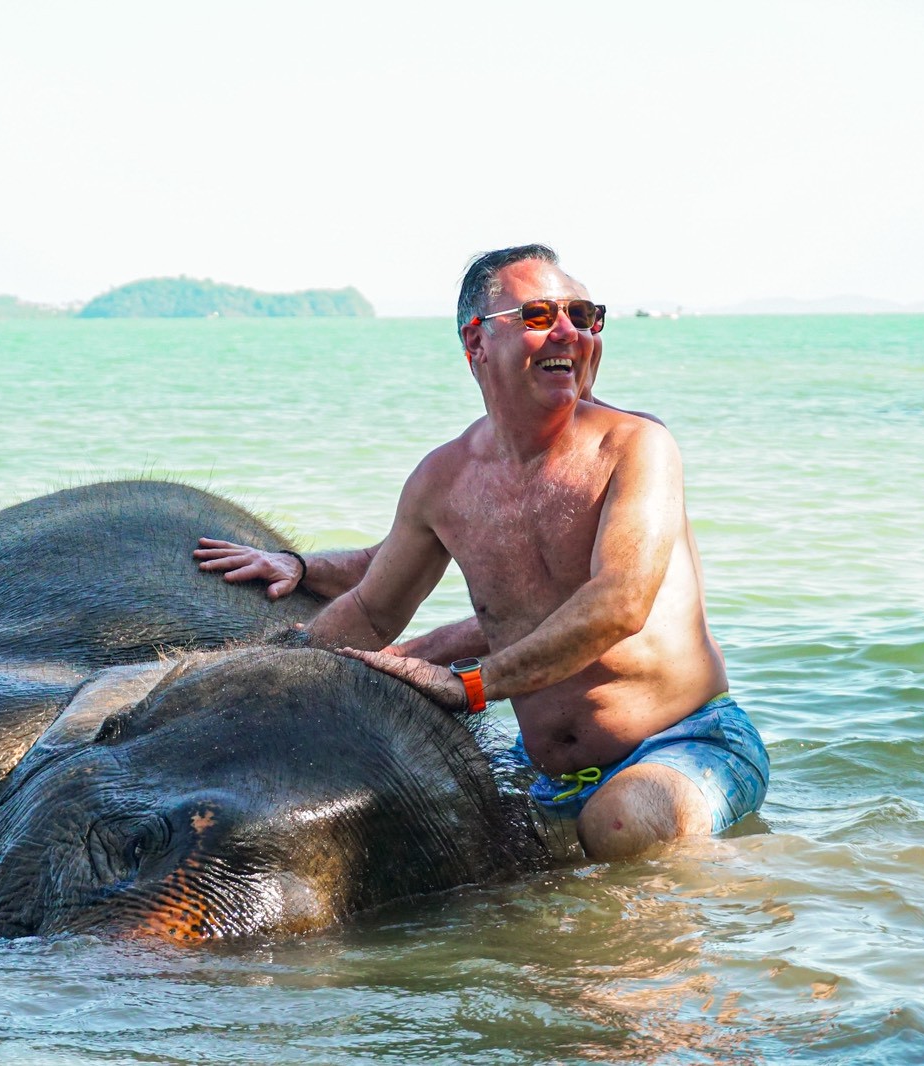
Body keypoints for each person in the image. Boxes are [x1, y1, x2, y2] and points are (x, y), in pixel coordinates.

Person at [196, 245, 767, 860]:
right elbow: (372, 608)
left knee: (620, 824)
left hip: (688, 743)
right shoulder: (444, 480)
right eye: (540, 315)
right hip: (544, 771)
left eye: (582, 315)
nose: (569, 332)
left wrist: (470, 684)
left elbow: (620, 602)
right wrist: (264, 684)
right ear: (476, 342)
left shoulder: (636, 445)